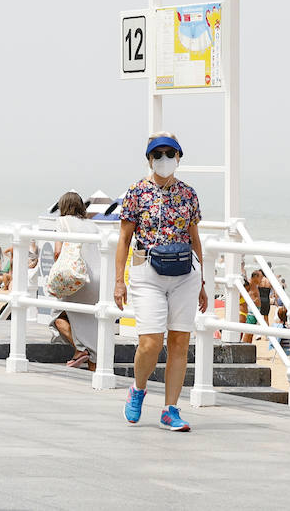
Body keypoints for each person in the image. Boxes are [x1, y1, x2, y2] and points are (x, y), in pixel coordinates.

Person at [114, 132, 206, 432]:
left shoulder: (188, 194)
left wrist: (202, 281)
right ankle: (138, 389)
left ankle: (171, 409)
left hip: (184, 274)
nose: (164, 159)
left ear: (179, 157)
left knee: (180, 342)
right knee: (151, 342)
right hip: (147, 272)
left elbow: (195, 239)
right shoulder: (137, 192)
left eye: (170, 154)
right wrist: (119, 280)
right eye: (158, 154)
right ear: (149, 159)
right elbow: (124, 238)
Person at [52, 191, 101, 371]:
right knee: (94, 325)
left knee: (57, 317)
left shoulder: (62, 222)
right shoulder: (93, 225)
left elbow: (58, 252)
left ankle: (80, 350)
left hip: (77, 277)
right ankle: (94, 372)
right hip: (98, 278)